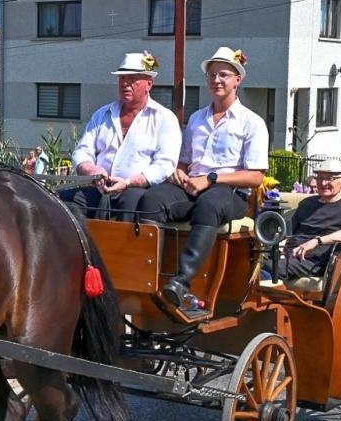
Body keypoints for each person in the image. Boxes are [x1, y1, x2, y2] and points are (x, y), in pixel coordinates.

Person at [138, 45, 269, 316]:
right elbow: (184, 162)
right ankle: (147, 274)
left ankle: (182, 282)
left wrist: (210, 179)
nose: (216, 81)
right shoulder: (197, 119)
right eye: (211, 75)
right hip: (193, 187)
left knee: (210, 203)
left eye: (223, 75)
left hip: (231, 194)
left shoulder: (251, 122)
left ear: (237, 79)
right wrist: (179, 173)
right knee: (152, 198)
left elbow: (256, 176)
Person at [62, 51, 181, 219]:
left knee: (132, 204)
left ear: (149, 84)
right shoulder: (102, 114)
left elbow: (165, 165)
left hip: (138, 191)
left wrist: (128, 182)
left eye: (132, 79)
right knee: (59, 203)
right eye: (122, 78)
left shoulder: (164, 118)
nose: (125, 84)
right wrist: (92, 170)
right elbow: (82, 151)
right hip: (99, 188)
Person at [275, 157, 341, 282]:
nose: (323, 183)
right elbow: (288, 233)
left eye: (330, 179)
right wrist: (280, 245)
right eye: (320, 178)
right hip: (288, 255)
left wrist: (317, 241)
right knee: (248, 261)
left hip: (315, 261)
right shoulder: (306, 203)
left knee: (269, 268)